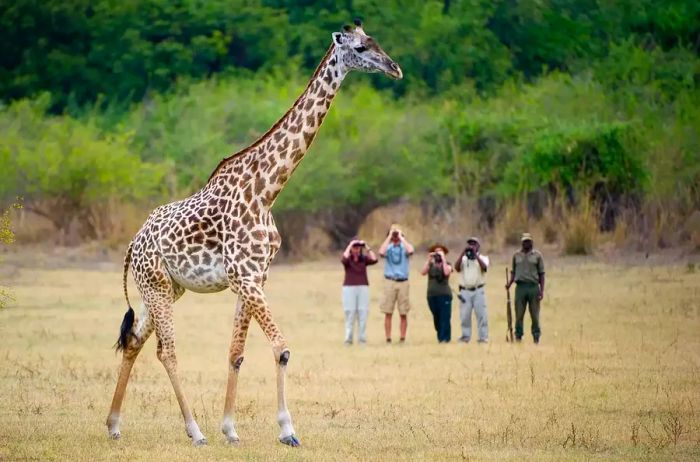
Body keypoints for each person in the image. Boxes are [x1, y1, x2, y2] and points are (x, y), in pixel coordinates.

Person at [505, 232, 545, 344]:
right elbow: (513, 272)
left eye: (528, 241)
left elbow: (542, 274)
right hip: (520, 287)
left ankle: (536, 336)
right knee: (519, 314)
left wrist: (541, 290)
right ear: (522, 242)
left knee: (535, 314)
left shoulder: (537, 256)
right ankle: (518, 336)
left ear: (531, 242)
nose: (526, 243)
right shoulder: (516, 255)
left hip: (533, 287)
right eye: (524, 241)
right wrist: (509, 283)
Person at [378, 224, 414, 343]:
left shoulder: (405, 247)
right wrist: (389, 237)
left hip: (403, 281)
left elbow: (411, 251)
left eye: (396, 234)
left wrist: (401, 237)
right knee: (388, 312)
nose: (395, 236)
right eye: (393, 234)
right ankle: (388, 338)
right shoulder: (388, 247)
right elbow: (381, 252)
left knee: (403, 312)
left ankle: (402, 338)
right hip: (390, 281)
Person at [341, 238, 378, 345]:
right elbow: (343, 259)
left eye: (358, 248)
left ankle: (362, 339)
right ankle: (348, 339)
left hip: (363, 287)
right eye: (354, 247)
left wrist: (366, 246)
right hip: (349, 288)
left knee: (363, 313)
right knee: (350, 313)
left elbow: (375, 259)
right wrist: (350, 245)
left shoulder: (364, 259)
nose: (356, 250)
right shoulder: (348, 260)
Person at [454, 237, 490, 343]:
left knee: (481, 315)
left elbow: (485, 268)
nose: (471, 246)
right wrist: (462, 254)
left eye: (474, 244)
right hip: (465, 290)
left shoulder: (483, 258)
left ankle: (483, 338)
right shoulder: (464, 260)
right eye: (469, 244)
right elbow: (456, 268)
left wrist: (476, 256)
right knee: (464, 315)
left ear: (478, 246)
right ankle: (465, 336)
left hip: (478, 290)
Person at [420, 243, 453, 343]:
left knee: (445, 317)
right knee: (437, 317)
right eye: (436, 251)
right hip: (431, 295)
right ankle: (440, 336)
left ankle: (445, 339)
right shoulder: (430, 265)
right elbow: (423, 272)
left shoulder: (448, 264)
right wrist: (429, 260)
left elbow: (447, 272)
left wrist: (443, 259)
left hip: (444, 294)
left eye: (440, 251)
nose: (438, 253)